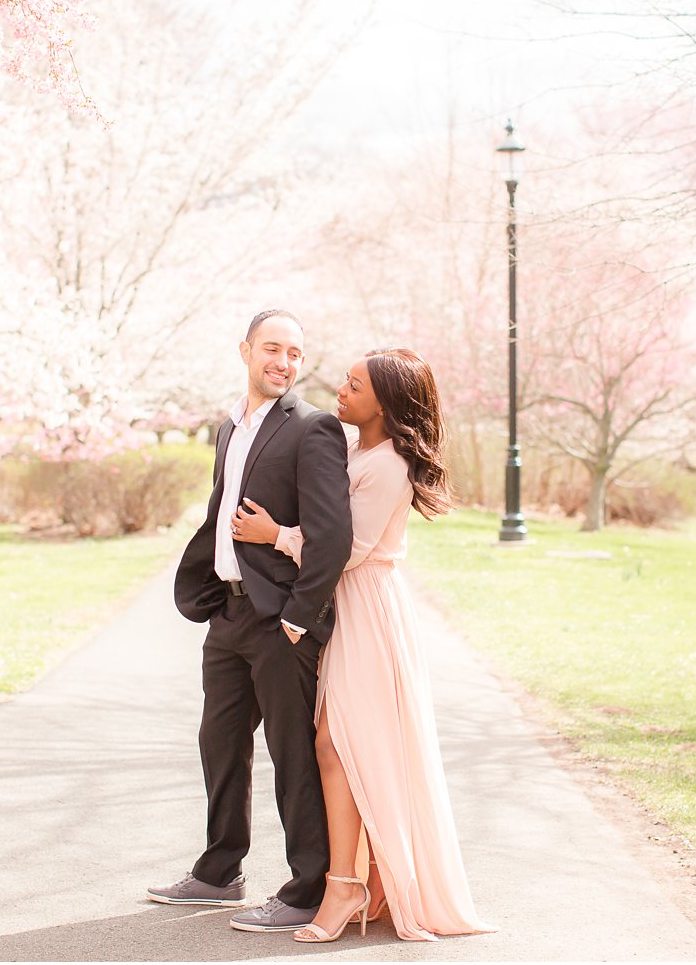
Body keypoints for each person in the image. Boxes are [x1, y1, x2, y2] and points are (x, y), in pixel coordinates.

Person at [232, 347, 496, 943]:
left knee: (338, 743)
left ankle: (344, 884)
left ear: (386, 402)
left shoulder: (390, 465)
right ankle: (356, 879)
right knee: (342, 744)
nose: (341, 393)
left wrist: (276, 536)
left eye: (355, 386)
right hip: (343, 604)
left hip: (366, 606)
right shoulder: (358, 452)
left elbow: (348, 549)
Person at [150, 310, 352, 933]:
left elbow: (333, 537)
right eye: (272, 348)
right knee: (220, 744)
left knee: (291, 755)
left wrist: (298, 619)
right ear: (245, 351)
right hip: (230, 616)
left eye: (294, 352)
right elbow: (220, 512)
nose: (283, 362)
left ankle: (306, 888)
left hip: (281, 624)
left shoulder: (313, 429)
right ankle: (218, 872)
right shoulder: (228, 427)